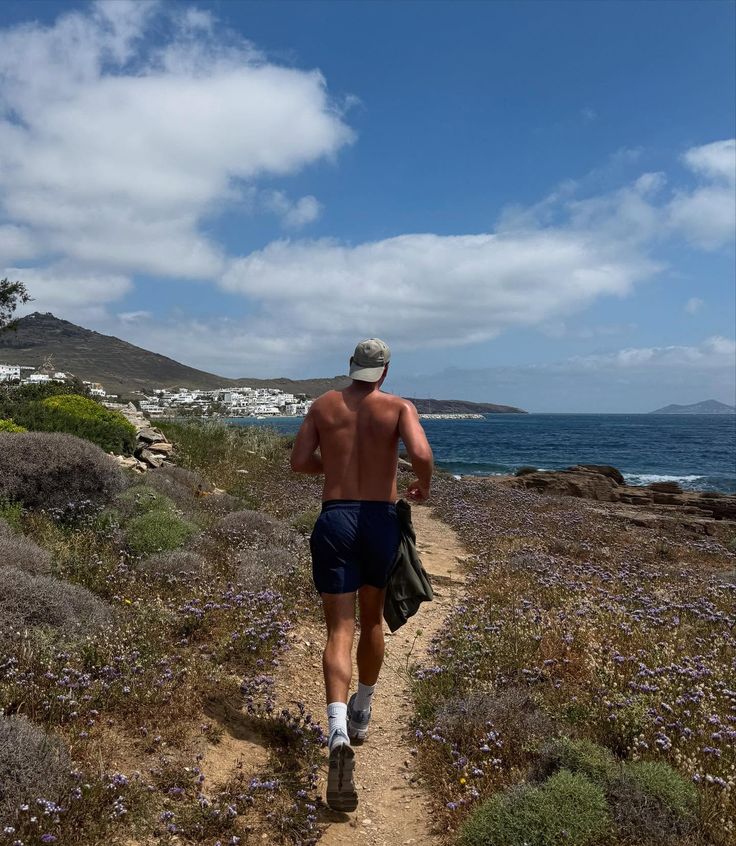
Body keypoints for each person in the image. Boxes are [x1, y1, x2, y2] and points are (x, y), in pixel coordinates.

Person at [290, 338, 433, 812]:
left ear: (351, 367)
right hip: (379, 521)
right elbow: (423, 455)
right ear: (385, 371)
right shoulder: (397, 407)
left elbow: (298, 463)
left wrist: (331, 466)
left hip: (335, 518)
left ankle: (335, 730)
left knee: (338, 628)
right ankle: (363, 712)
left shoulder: (323, 406)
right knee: (371, 620)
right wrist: (421, 485)